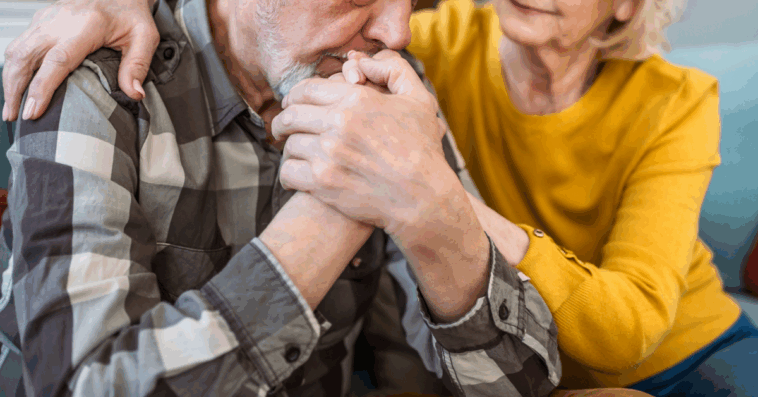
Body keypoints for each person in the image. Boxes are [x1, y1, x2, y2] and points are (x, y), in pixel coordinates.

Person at [5, 0, 754, 396]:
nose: (396, 26)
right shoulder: (106, 80)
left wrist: (432, 206)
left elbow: (535, 371)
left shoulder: (394, 72)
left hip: (678, 335)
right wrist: (338, 208)